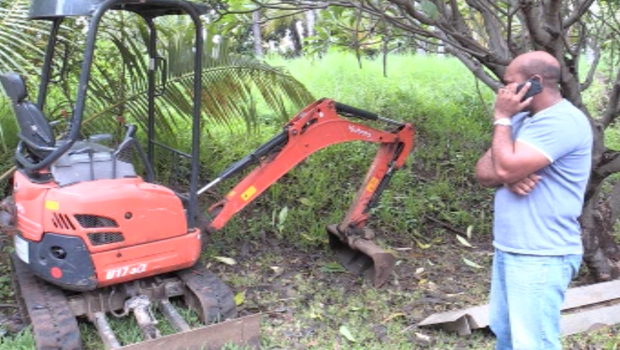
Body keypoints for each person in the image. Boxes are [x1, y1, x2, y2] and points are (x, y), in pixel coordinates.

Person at [475, 51, 593, 350]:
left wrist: (502, 121)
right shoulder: (524, 119)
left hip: (541, 253)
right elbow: (485, 174)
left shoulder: (563, 121)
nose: (503, 92)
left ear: (535, 82)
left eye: (509, 83)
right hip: (511, 248)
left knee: (534, 343)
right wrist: (510, 173)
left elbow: (501, 167)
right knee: (507, 336)